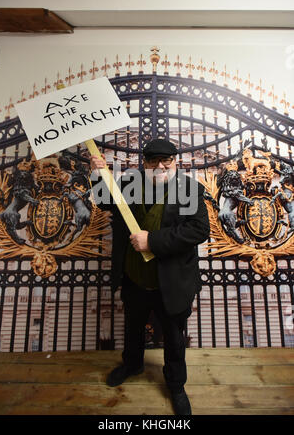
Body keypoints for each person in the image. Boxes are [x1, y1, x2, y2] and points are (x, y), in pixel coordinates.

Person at [90, 138, 210, 415]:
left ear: (175, 161)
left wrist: (152, 241)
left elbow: (198, 230)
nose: (160, 166)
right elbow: (105, 200)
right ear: (144, 164)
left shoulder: (190, 189)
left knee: (173, 336)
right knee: (133, 328)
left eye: (166, 161)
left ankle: (177, 386)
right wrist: (98, 174)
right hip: (135, 278)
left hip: (172, 281)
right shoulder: (130, 186)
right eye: (154, 161)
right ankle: (133, 364)